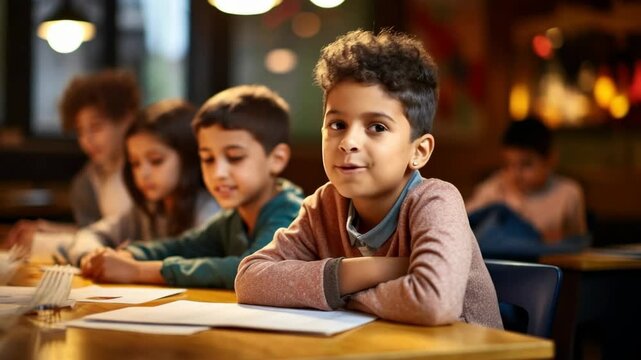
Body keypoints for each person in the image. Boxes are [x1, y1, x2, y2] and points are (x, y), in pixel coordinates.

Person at [235, 29, 502, 329]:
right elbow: (250, 279)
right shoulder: (324, 205)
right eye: (337, 124)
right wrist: (377, 269)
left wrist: (344, 293)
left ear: (419, 151)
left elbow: (433, 304)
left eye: (376, 127)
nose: (348, 142)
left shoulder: (436, 200)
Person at [81, 85, 304, 289]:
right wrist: (130, 254)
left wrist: (139, 271)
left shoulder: (292, 214)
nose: (218, 173)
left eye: (234, 157)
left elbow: (251, 269)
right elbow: (182, 246)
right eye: (208, 159)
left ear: (277, 159)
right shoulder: (233, 219)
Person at [68, 99, 220, 264]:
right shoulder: (146, 210)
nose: (143, 173)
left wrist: (132, 262)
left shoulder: (209, 211)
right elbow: (89, 234)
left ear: (188, 158)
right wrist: (92, 257)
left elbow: (199, 265)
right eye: (135, 163)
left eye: (156, 161)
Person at [3, 69, 140, 253]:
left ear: (126, 119)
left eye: (96, 127)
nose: (86, 140)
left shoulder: (145, 170)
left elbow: (137, 238)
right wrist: (48, 230)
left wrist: (47, 239)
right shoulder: (88, 180)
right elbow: (99, 237)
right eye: (80, 131)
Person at [466, 116, 590, 259]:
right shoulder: (494, 187)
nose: (515, 174)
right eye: (508, 165)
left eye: (526, 164)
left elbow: (578, 243)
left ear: (550, 159)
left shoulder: (568, 193)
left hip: (547, 270)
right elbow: (467, 224)